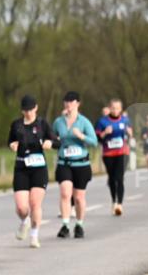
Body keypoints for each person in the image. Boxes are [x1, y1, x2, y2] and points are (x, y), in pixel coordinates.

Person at [8, 95, 59, 249]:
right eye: (25, 110)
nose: (28, 113)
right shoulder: (16, 125)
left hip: (39, 169)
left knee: (35, 203)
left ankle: (34, 236)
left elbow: (57, 142)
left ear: (36, 108)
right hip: (21, 168)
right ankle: (25, 221)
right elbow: (10, 140)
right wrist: (13, 145)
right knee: (22, 207)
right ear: (22, 111)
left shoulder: (42, 124)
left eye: (30, 110)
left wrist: (51, 143)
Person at [52, 91, 98, 239]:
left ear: (78, 104)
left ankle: (79, 224)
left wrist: (81, 136)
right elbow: (52, 140)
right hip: (64, 162)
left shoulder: (84, 122)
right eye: (66, 102)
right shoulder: (58, 122)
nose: (68, 104)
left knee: (78, 197)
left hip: (81, 164)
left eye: (71, 102)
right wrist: (55, 141)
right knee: (65, 193)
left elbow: (94, 142)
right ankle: (65, 225)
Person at [95, 98, 133, 215]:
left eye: (117, 108)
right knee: (111, 179)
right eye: (113, 108)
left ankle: (120, 205)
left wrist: (130, 133)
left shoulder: (126, 120)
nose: (115, 110)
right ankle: (114, 201)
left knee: (119, 178)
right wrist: (105, 132)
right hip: (108, 153)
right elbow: (98, 139)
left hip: (122, 152)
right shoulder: (102, 121)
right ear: (109, 108)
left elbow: (130, 136)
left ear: (121, 109)